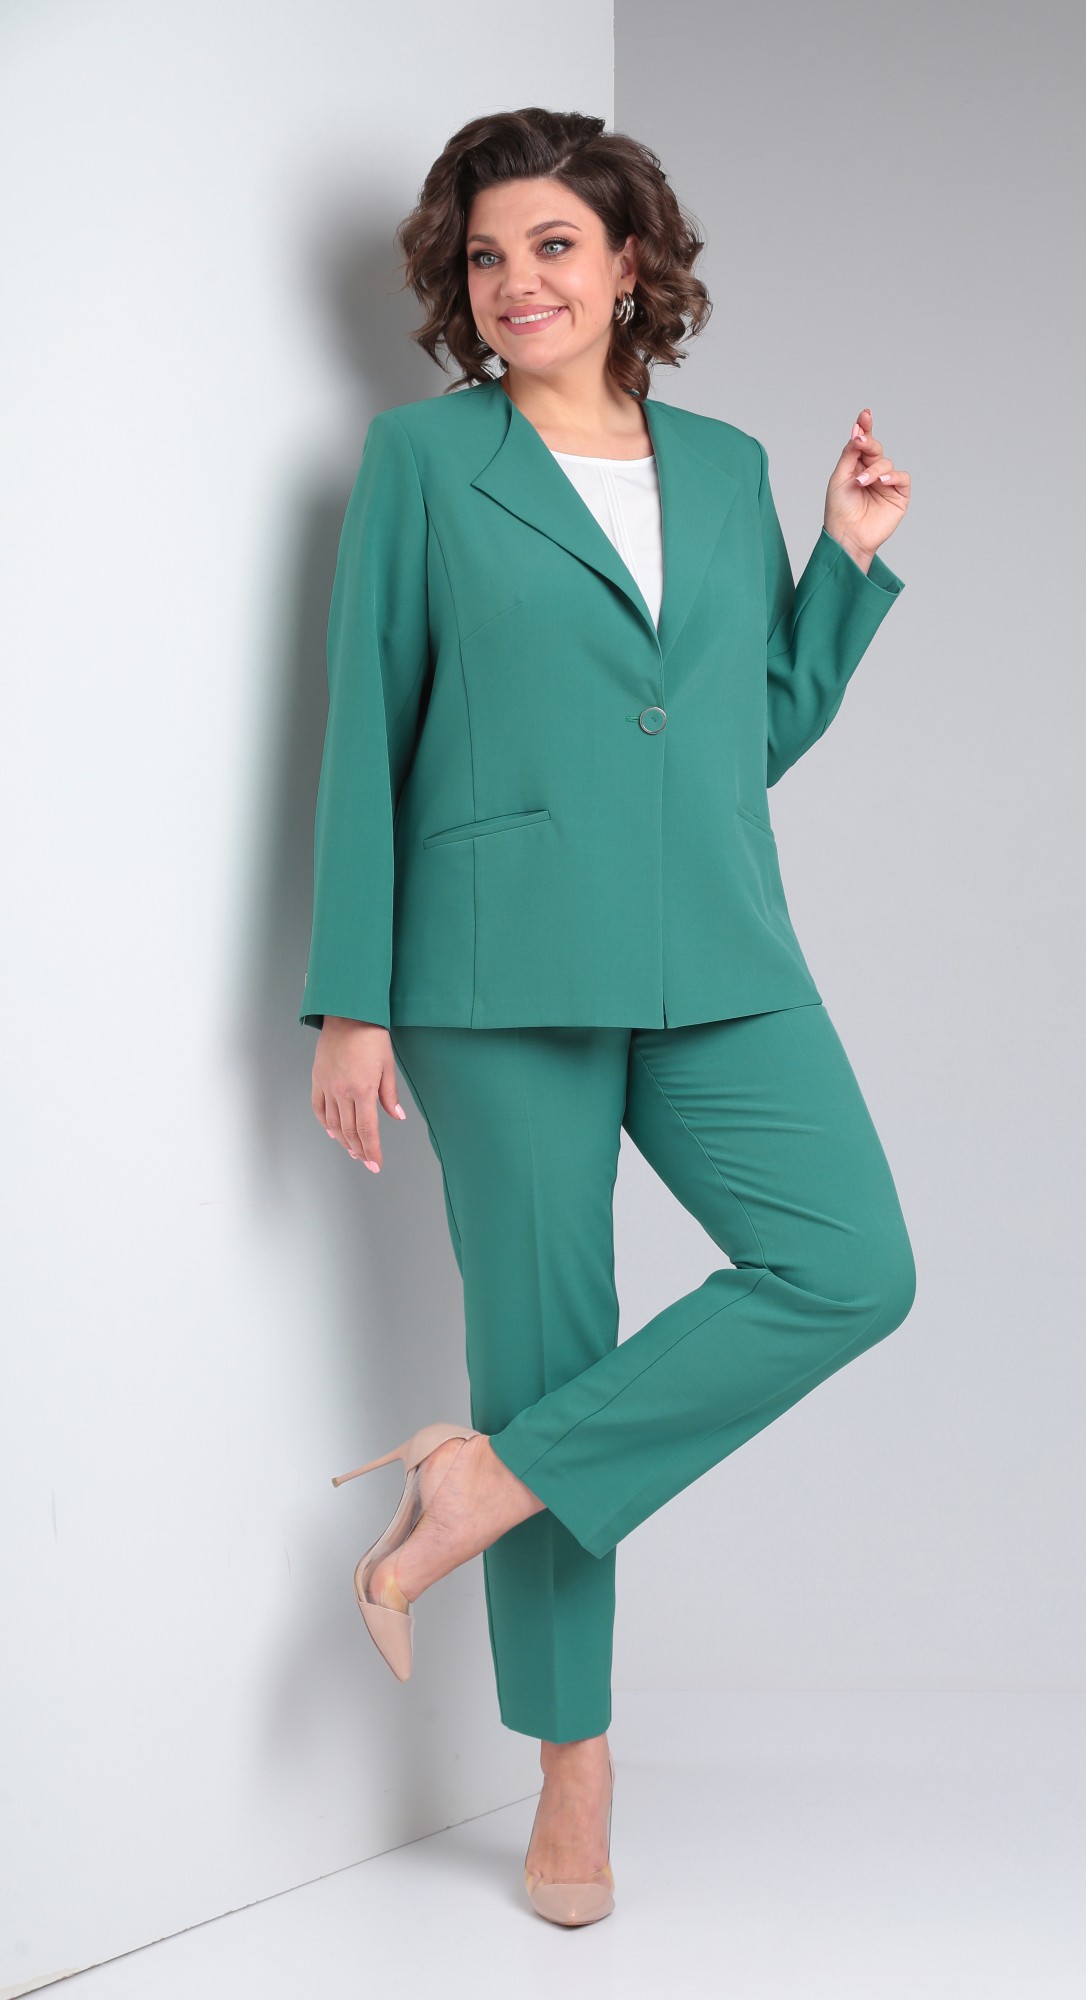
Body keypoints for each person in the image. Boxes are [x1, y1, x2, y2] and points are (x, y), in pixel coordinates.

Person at [301, 105, 916, 1927]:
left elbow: (735, 739)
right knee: (550, 1346)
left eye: (554, 245)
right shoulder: (425, 462)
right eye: (487, 255)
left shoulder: (726, 468)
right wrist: (351, 1002)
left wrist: (844, 566)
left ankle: (482, 1484)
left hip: (713, 952)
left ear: (630, 260)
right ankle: (572, 1772)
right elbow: (362, 726)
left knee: (849, 1267)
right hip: (492, 975)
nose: (519, 282)